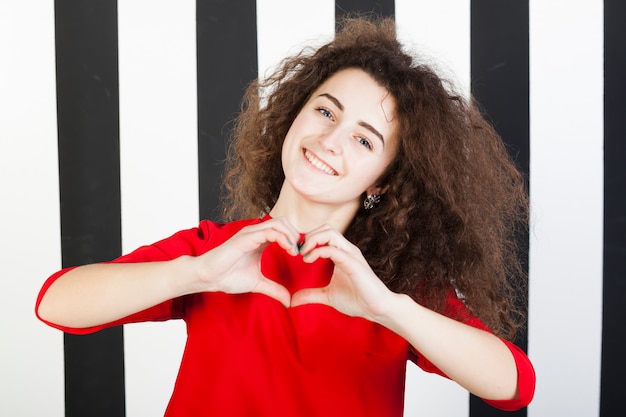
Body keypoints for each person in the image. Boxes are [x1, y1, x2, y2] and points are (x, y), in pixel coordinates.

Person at [36, 17, 535, 416]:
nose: (330, 140)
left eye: (364, 140)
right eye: (326, 112)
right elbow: (54, 304)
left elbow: (514, 385)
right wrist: (196, 272)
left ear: (382, 181)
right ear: (295, 114)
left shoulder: (387, 287)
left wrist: (388, 309)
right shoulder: (216, 250)